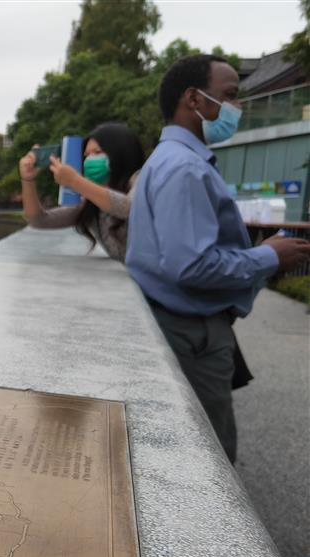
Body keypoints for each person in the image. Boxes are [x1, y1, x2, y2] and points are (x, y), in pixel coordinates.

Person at [126, 54, 310, 463]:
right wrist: (267, 256)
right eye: (230, 96)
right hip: (192, 337)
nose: (237, 109)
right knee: (207, 456)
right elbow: (190, 266)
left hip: (184, 329)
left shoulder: (171, 161)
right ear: (194, 98)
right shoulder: (185, 169)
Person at [19, 122, 145, 262]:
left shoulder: (141, 178)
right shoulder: (91, 203)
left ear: (120, 153)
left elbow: (128, 207)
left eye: (97, 153)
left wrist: (74, 181)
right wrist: (27, 180)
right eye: (86, 155)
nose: (89, 160)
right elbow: (38, 220)